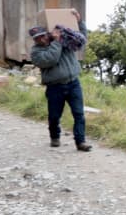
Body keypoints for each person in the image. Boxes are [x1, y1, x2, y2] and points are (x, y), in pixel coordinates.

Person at [28, 9, 92, 151]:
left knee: (79, 114)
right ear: (35, 40)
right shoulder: (36, 52)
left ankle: (80, 142)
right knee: (54, 116)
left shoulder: (64, 40)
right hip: (54, 87)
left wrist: (79, 22)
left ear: (47, 33)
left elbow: (81, 38)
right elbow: (51, 59)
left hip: (73, 83)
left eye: (43, 35)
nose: (42, 39)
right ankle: (55, 137)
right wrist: (57, 42)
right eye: (38, 38)